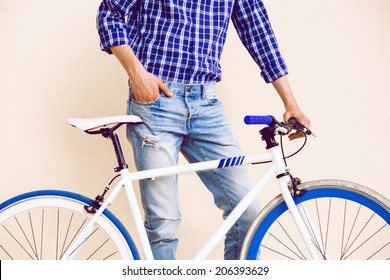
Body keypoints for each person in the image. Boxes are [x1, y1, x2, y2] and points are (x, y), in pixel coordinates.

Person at [96, 0, 310, 260]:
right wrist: (136, 72)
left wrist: (291, 102)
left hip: (206, 104)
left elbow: (258, 31)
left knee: (248, 211)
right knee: (163, 222)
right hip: (156, 103)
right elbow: (110, 13)